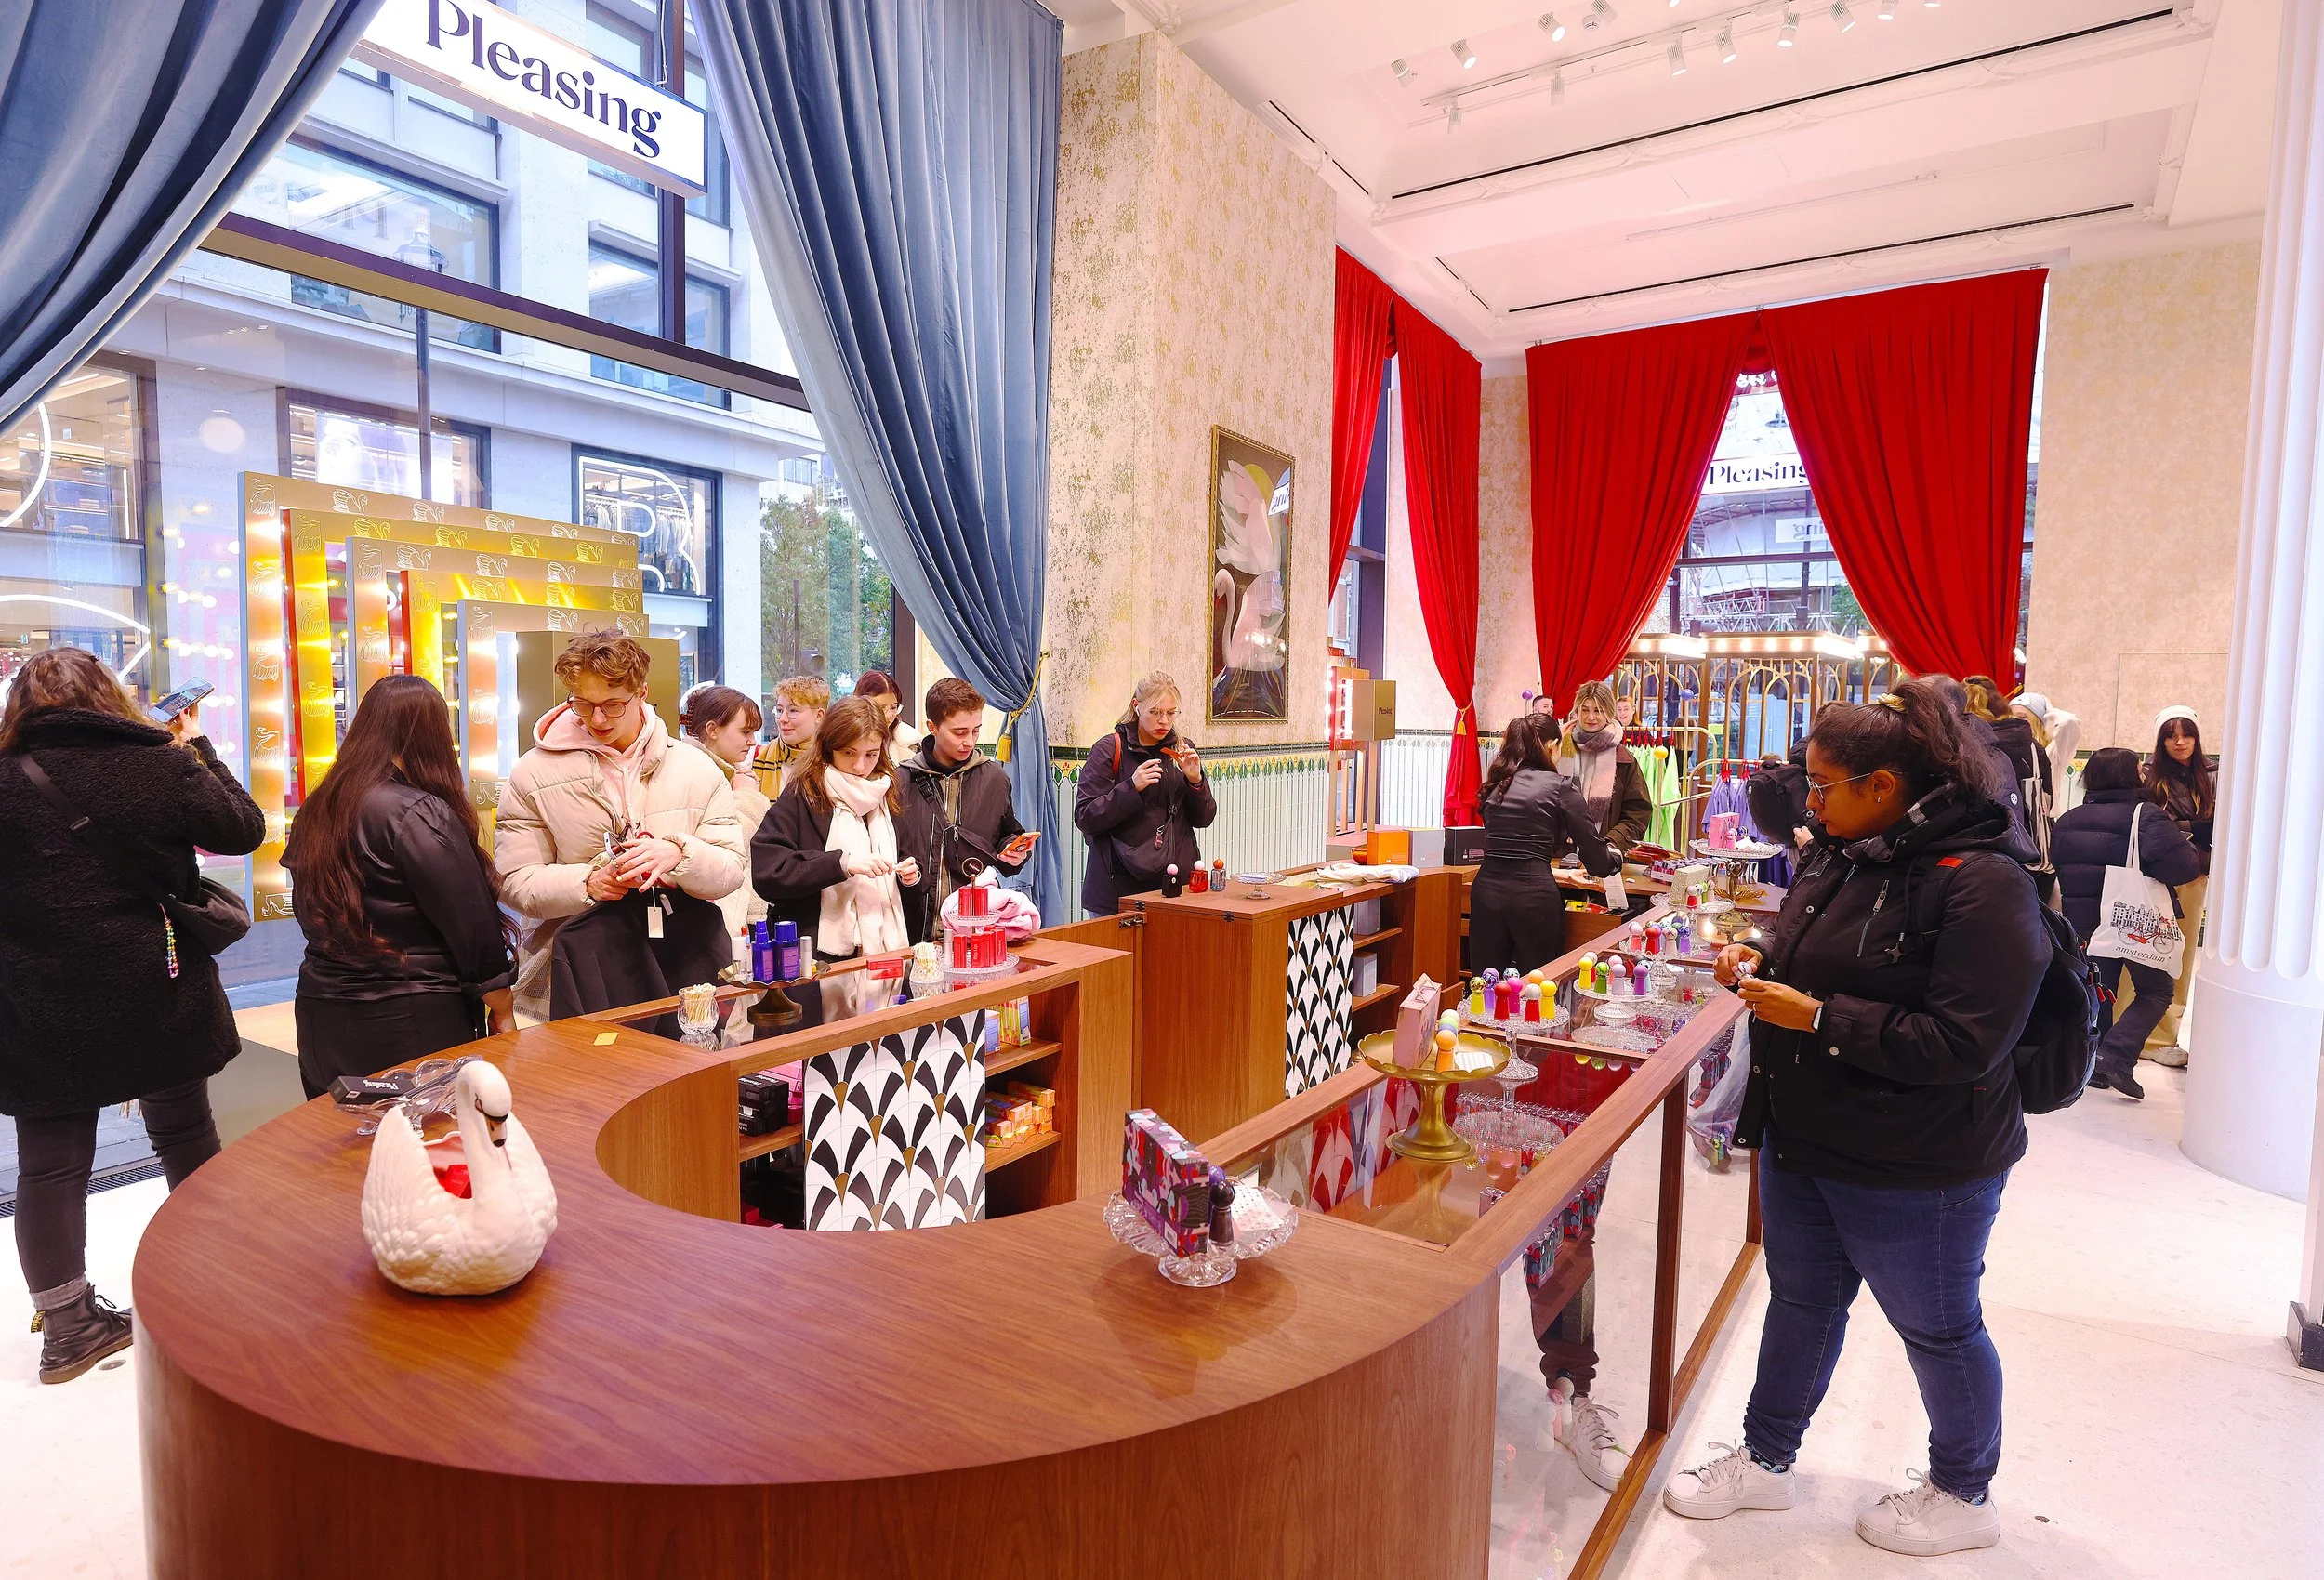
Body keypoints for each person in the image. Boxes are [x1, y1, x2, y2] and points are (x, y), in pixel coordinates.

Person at [1663, 678, 2046, 1558]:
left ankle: (1964, 1490)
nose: (1811, 801)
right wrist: (1754, 950)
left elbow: (1964, 1042)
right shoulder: (1843, 852)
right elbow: (1804, 942)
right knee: (1800, 1303)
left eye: (1825, 785)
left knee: (1939, 1328)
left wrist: (1819, 1018)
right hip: (1807, 1137)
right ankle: (1765, 1460)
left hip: (1925, 1162)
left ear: (1884, 785)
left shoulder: (1983, 883)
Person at [0, 648, 264, 1383]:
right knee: (182, 1129)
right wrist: (195, 744)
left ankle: (68, 1327)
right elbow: (242, 828)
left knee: (50, 1163)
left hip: (35, 999)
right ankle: (210, 1277)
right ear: (110, 697)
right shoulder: (159, 763)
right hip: (156, 985)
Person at [495, 632, 747, 1020]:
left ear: (641, 693)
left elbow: (731, 868)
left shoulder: (696, 769)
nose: (596, 719)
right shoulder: (532, 774)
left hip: (684, 961)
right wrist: (588, 882)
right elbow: (515, 880)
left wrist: (680, 855)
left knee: (688, 1070)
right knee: (596, 1076)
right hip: (578, 968)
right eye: (583, 704)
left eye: (613, 705)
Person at [286, 676, 515, 1099]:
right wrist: (501, 1002)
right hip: (411, 1018)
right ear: (432, 735)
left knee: (343, 1155)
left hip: (321, 1013)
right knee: (424, 1151)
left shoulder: (318, 807)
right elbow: (471, 922)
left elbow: (308, 910)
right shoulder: (418, 811)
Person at [2050, 747, 2204, 1100]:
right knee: (2156, 990)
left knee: (2100, 992)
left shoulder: (2069, 820)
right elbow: (2182, 868)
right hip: (2136, 921)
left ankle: (2093, 1065)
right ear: (2129, 775)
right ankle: (2114, 1057)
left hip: (2085, 923)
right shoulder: (2146, 817)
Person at [752, 696, 930, 958]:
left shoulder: (888, 790)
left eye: (871, 754)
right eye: (849, 753)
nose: (860, 766)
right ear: (828, 747)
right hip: (813, 955)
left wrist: (910, 877)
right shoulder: (805, 791)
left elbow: (910, 861)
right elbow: (768, 873)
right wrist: (840, 865)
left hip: (885, 949)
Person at [1470, 714, 1620, 973]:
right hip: (1534, 899)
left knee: (1486, 990)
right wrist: (1614, 857)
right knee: (1539, 990)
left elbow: (1511, 855)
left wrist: (1563, 874)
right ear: (1552, 746)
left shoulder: (1497, 785)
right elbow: (1597, 861)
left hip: (1486, 895)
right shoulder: (1560, 787)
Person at [1075, 671, 1218, 918]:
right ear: (1137, 707)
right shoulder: (1109, 750)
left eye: (1171, 713)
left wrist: (1196, 781)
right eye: (1155, 712)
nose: (1163, 720)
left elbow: (1203, 819)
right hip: (1117, 893)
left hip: (1175, 889)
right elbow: (1085, 816)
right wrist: (1131, 787)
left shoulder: (1182, 749)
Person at [898, 677, 1040, 916]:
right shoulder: (902, 780)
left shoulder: (995, 778)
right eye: (959, 732)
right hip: (910, 920)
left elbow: (1006, 836)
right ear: (932, 727)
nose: (969, 742)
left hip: (974, 920)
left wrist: (1014, 854)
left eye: (976, 731)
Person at [2142, 705, 2214, 1063]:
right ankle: (2134, 1034)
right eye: (2171, 735)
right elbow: (2156, 826)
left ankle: (2162, 1039)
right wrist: (2195, 828)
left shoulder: (2212, 776)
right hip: (2154, 874)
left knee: (2182, 956)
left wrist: (2191, 829)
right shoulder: (2149, 777)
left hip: (2194, 874)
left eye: (2187, 734)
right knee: (2144, 950)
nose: (2180, 741)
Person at [679, 684, 772, 949]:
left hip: (727, 914)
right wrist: (748, 798)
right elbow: (723, 848)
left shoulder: (724, 772)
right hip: (710, 919)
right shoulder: (694, 773)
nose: (752, 741)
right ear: (712, 730)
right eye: (745, 732)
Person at [1555, 681, 1652, 851]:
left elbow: (1637, 814)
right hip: (1558, 855)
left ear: (1608, 712)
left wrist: (1611, 843)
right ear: (1576, 711)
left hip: (1604, 859)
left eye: (1598, 710)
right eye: (1585, 710)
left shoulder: (1623, 759)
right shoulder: (1556, 751)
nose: (1590, 717)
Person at [753, 674, 828, 798]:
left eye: (793, 710)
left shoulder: (832, 761)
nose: (782, 719)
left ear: (819, 715)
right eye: (779, 710)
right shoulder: (755, 757)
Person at [852, 669, 919, 759]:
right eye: (881, 707)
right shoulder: (846, 738)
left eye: (893, 708)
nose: (889, 715)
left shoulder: (909, 742)